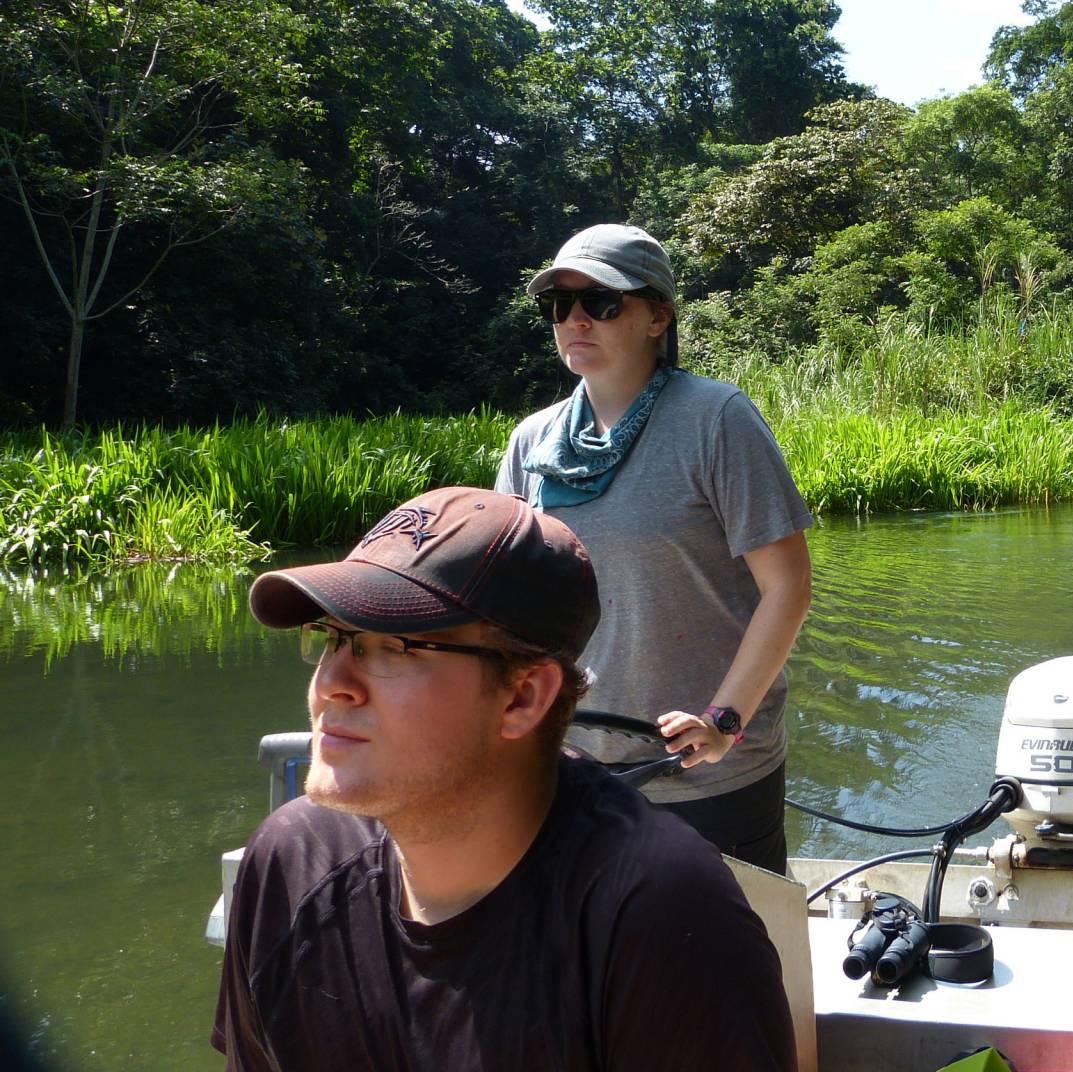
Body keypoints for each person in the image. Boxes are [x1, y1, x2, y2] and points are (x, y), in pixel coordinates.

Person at [212, 486, 798, 1072]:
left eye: (389, 646)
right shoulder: (288, 867)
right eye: (334, 638)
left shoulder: (666, 922)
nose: (331, 683)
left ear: (522, 696)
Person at [496, 223, 813, 874]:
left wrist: (724, 721)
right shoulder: (532, 444)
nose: (576, 319)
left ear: (656, 316)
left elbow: (787, 588)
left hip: (708, 774)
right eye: (561, 304)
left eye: (602, 302)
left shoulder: (717, 420)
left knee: (727, 967)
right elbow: (510, 600)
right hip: (573, 771)